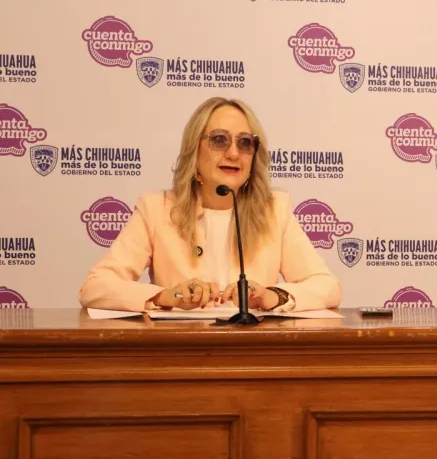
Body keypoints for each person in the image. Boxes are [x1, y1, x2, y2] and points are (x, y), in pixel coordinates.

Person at [78, 97, 341, 313]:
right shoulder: (156, 209)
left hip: (253, 351)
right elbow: (95, 287)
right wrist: (167, 296)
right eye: (219, 140)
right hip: (180, 350)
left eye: (245, 143)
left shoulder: (274, 211)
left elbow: (327, 287)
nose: (233, 153)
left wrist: (272, 296)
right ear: (194, 150)